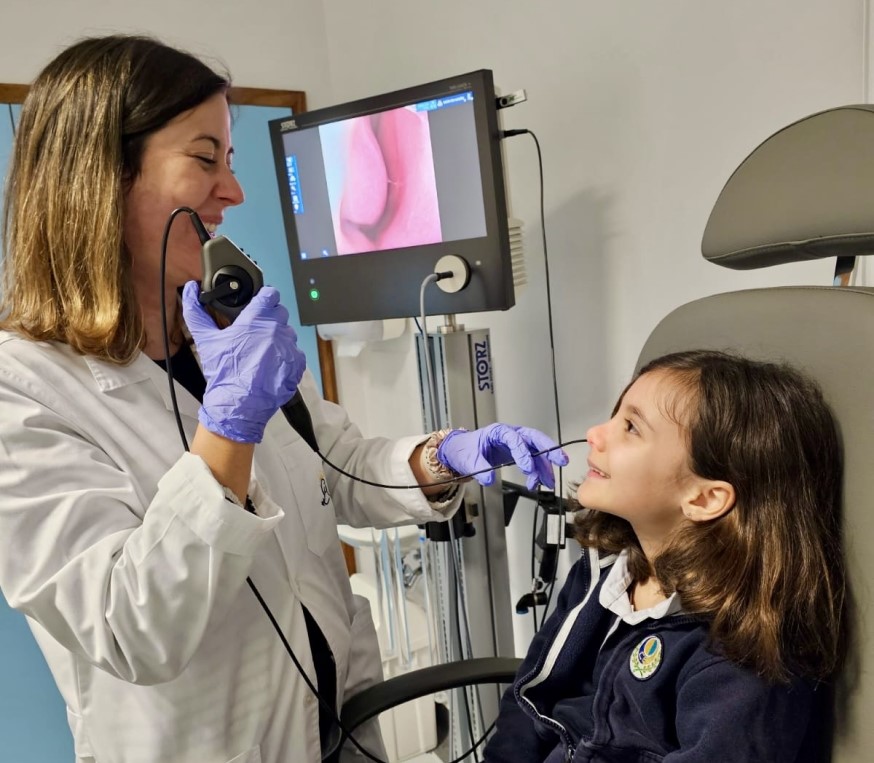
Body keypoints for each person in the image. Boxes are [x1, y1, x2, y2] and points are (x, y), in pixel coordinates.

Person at [0, 35, 568, 763]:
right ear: (102, 175)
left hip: (337, 724)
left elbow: (339, 464)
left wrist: (441, 456)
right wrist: (227, 426)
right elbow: (130, 625)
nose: (232, 191)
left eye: (229, 163)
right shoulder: (24, 391)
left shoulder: (232, 330)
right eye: (205, 159)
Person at [484, 349, 848, 762]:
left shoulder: (740, 658)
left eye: (631, 427)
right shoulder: (603, 575)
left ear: (705, 497)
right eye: (615, 416)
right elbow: (530, 700)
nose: (594, 434)